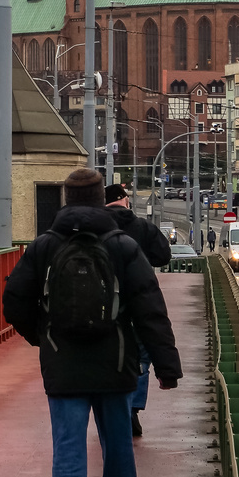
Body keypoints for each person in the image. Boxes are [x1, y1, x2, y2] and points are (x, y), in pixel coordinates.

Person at [3, 168, 183, 477]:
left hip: (63, 366)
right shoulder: (121, 245)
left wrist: (44, 337)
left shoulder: (45, 245)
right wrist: (166, 367)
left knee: (68, 453)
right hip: (115, 364)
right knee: (117, 449)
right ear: (102, 198)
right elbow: (150, 308)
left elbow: (13, 301)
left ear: (66, 199)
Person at [104, 182, 171, 438]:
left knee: (107, 354)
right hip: (138, 301)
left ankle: (112, 409)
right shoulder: (142, 227)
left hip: (103, 303)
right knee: (142, 357)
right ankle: (132, 408)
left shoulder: (93, 226)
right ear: (124, 200)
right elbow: (164, 256)